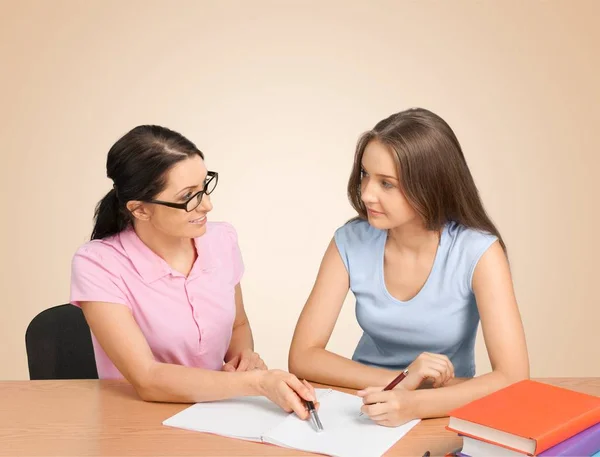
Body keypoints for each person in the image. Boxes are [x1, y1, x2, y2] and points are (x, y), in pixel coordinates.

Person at [288, 108, 529, 426]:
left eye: (386, 184)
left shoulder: (479, 252)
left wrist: (414, 402)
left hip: (442, 410)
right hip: (361, 403)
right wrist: (403, 380)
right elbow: (302, 356)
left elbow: (513, 379)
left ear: (430, 186)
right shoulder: (349, 241)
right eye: (365, 175)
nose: (367, 194)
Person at [70, 125, 316, 419]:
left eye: (205, 186)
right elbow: (147, 379)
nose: (207, 205)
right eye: (189, 196)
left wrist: (243, 358)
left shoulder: (221, 240)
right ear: (140, 209)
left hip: (219, 414)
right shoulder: (98, 264)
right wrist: (256, 382)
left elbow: (238, 325)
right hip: (136, 422)